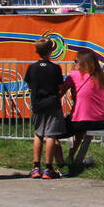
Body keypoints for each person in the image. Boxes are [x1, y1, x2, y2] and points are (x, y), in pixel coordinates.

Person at [25, 37, 67, 179]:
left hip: (37, 103)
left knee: (38, 133)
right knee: (50, 135)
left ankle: (35, 166)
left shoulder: (32, 68)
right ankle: (48, 168)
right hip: (52, 103)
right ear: (51, 50)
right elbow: (60, 86)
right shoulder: (55, 68)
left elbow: (30, 85)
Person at [62, 48, 104, 171]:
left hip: (81, 121)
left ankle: (61, 162)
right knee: (80, 133)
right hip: (100, 121)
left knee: (52, 133)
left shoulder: (74, 75)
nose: (74, 64)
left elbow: (60, 92)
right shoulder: (100, 76)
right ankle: (72, 157)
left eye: (75, 61)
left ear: (81, 62)